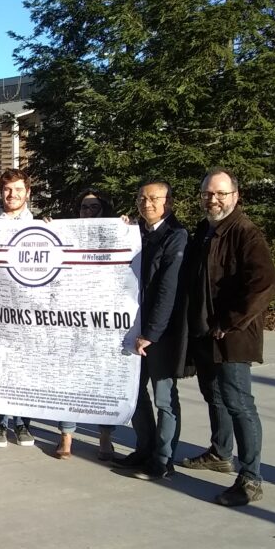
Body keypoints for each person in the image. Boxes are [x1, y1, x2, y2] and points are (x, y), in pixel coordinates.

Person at [181, 169, 275, 506]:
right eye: (208, 193)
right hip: (205, 333)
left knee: (239, 404)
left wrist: (232, 321)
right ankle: (220, 453)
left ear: (235, 195)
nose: (214, 199)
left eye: (221, 193)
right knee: (215, 396)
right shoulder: (206, 231)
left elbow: (265, 283)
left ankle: (251, 478)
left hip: (232, 336)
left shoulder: (245, 232)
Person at [111, 181, 189, 479]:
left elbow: (167, 289)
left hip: (161, 333)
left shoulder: (177, 236)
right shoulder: (137, 233)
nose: (147, 204)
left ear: (169, 202)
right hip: (134, 329)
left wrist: (152, 333)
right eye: (142, 198)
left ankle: (163, 459)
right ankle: (145, 448)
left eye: (154, 198)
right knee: (135, 392)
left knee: (164, 398)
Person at [55, 188, 120, 460]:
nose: (89, 212)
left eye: (95, 207)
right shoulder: (67, 235)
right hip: (70, 320)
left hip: (104, 320)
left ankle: (105, 438)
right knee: (69, 378)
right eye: (84, 207)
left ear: (105, 209)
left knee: (104, 379)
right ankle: (66, 437)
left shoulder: (117, 237)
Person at [0, 168, 37, 448]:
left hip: (27, 309)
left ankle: (24, 424)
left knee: (24, 367)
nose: (12, 194)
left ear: (27, 192)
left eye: (18, 189)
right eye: (7, 189)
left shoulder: (40, 226)